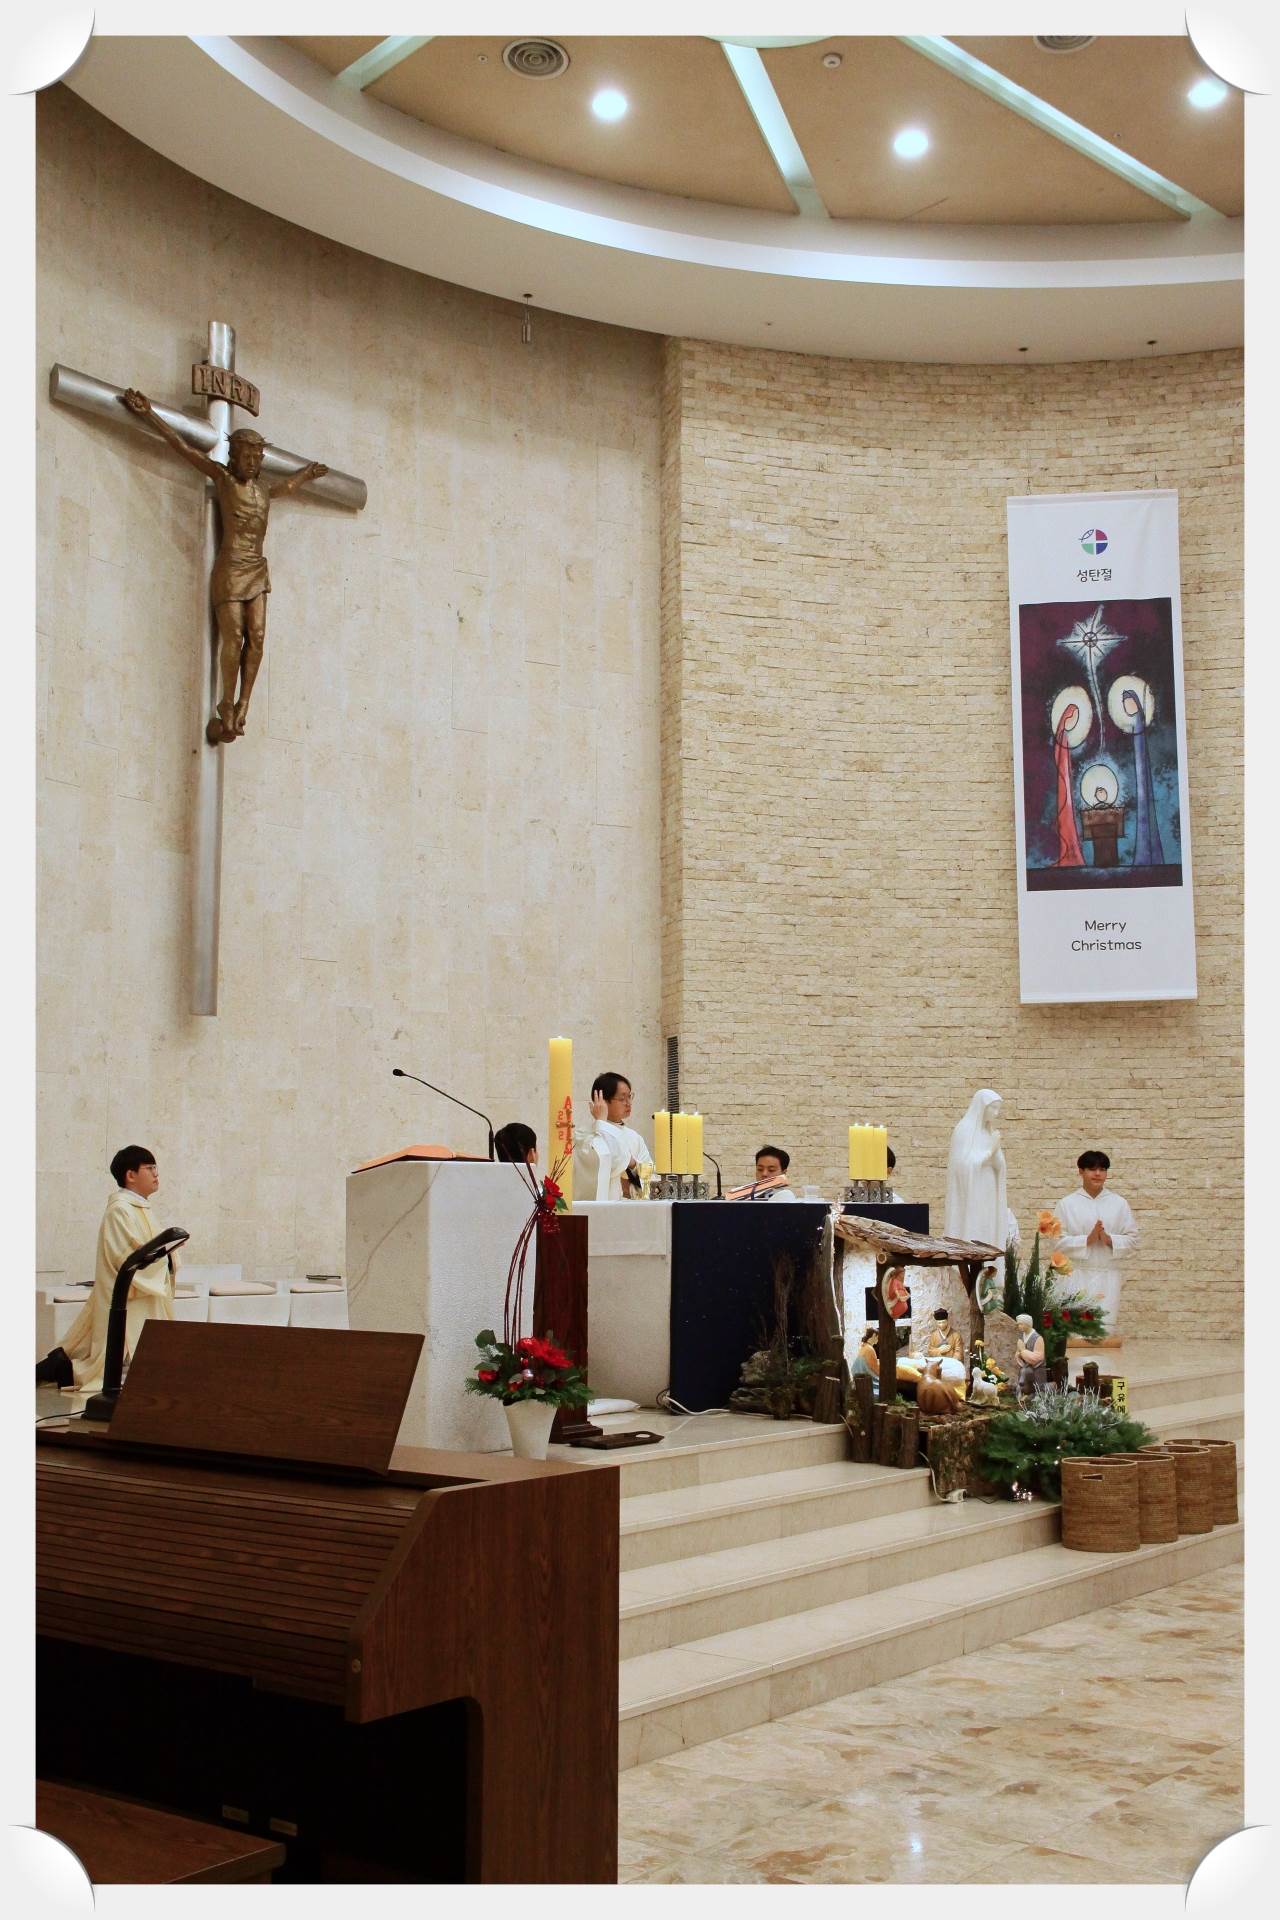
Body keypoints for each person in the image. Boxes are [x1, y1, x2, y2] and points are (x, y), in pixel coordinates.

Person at [119, 389, 327, 742]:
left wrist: (307, 474)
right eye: (247, 456)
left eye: (257, 457)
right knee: (234, 636)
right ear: (234, 456)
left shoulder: (264, 491)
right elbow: (181, 447)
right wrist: (149, 413)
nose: (253, 462)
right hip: (230, 568)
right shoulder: (223, 479)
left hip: (257, 568)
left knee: (256, 637)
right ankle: (226, 703)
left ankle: (244, 704)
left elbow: (289, 485)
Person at [35, 1146, 179, 1393]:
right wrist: (162, 1259)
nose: (156, 1174)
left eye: (156, 1168)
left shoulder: (141, 1208)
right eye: (149, 1168)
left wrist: (170, 1256)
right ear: (130, 1175)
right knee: (109, 1365)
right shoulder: (119, 1209)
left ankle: (60, 1367)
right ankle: (60, 1369)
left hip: (145, 1293)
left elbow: (152, 1248)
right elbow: (123, 1255)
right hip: (130, 1294)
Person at [1053, 1150, 1139, 1332]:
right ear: (1081, 1171)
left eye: (1102, 1169)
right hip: (1075, 1278)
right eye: (1092, 1169)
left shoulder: (1119, 1203)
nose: (1098, 1174)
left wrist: (1109, 1240)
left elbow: (1132, 1240)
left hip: (1108, 1278)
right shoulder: (1066, 1204)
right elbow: (1056, 1242)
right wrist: (1087, 1240)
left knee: (1103, 1333)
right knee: (1075, 1334)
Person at [573, 1072, 652, 1202]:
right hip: (601, 1210)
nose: (628, 1103)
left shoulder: (635, 1138)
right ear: (602, 1101)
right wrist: (601, 1123)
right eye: (622, 1099)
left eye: (630, 1096)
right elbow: (612, 1161)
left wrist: (632, 1164)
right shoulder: (584, 1135)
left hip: (633, 1209)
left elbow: (649, 1183)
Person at [944, 1089, 1007, 1249]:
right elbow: (961, 1166)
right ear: (982, 1106)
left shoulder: (989, 1131)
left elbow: (999, 1165)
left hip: (988, 1189)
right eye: (993, 1108)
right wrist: (990, 1151)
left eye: (998, 1109)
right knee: (974, 1228)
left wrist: (996, 1154)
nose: (996, 1113)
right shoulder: (964, 1130)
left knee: (988, 1227)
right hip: (972, 1191)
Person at [1015, 1314, 1047, 1394]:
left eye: (1021, 1324)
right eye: (1018, 1324)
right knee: (1021, 1383)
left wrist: (1023, 1351)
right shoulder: (1021, 1337)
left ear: (1027, 1324)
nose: (1019, 1326)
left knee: (1037, 1390)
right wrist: (1019, 1355)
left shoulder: (1038, 1338)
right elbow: (1017, 1354)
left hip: (1036, 1371)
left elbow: (1037, 1358)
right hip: (1024, 1369)